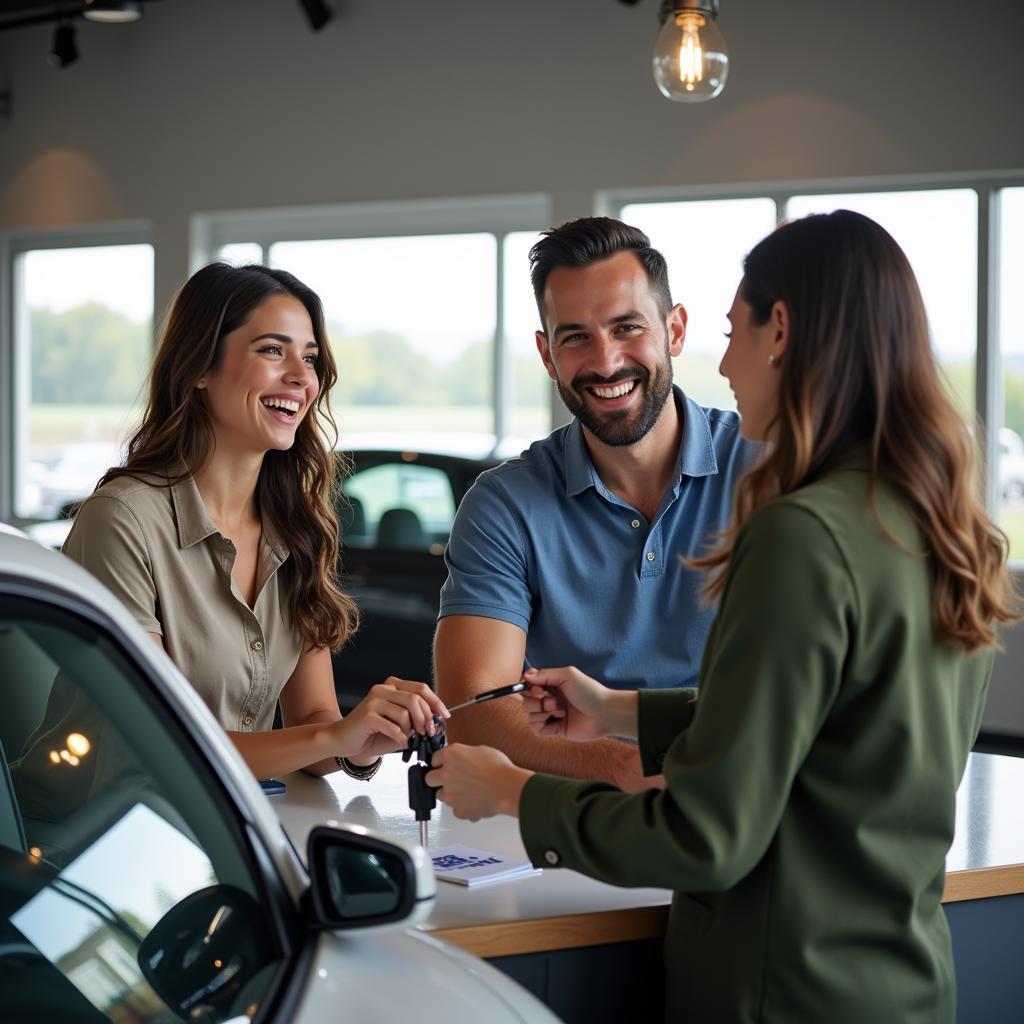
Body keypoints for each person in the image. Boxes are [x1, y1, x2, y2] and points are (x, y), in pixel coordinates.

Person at [426, 211, 1022, 1022]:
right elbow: (833, 731)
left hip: (775, 989)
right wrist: (622, 712)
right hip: (901, 979)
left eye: (735, 326)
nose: (728, 357)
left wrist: (519, 795)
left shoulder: (797, 527)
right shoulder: (933, 517)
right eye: (575, 336)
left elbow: (707, 838)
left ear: (781, 330)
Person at [61, 262, 448, 782]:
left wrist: (359, 741)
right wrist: (331, 736)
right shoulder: (122, 519)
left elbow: (313, 722)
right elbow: (161, 740)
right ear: (200, 367)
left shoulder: (296, 528)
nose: (301, 376)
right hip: (100, 837)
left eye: (309, 358)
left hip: (223, 830)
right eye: (272, 350)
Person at [434, 217, 756, 791]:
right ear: (546, 352)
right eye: (576, 336)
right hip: (567, 825)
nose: (606, 363)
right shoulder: (504, 503)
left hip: (745, 808)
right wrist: (632, 771)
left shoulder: (769, 470)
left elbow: (805, 695)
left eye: (627, 327)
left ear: (674, 329)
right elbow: (476, 714)